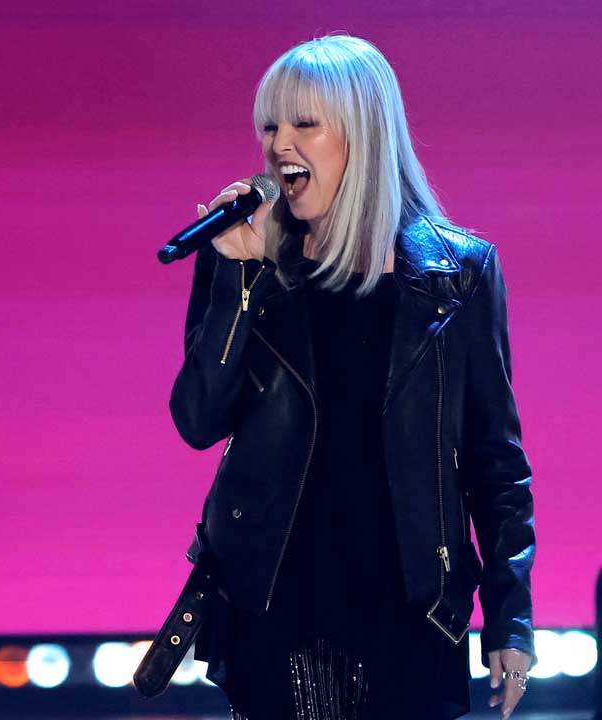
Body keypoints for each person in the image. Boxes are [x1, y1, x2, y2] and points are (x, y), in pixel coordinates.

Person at [169, 36, 534, 720]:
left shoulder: (459, 275)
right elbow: (197, 419)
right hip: (274, 610)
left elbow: (495, 459)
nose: (281, 144)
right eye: (271, 124)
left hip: (410, 615)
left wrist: (509, 617)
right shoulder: (247, 262)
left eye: (305, 123)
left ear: (362, 133)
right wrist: (236, 281)